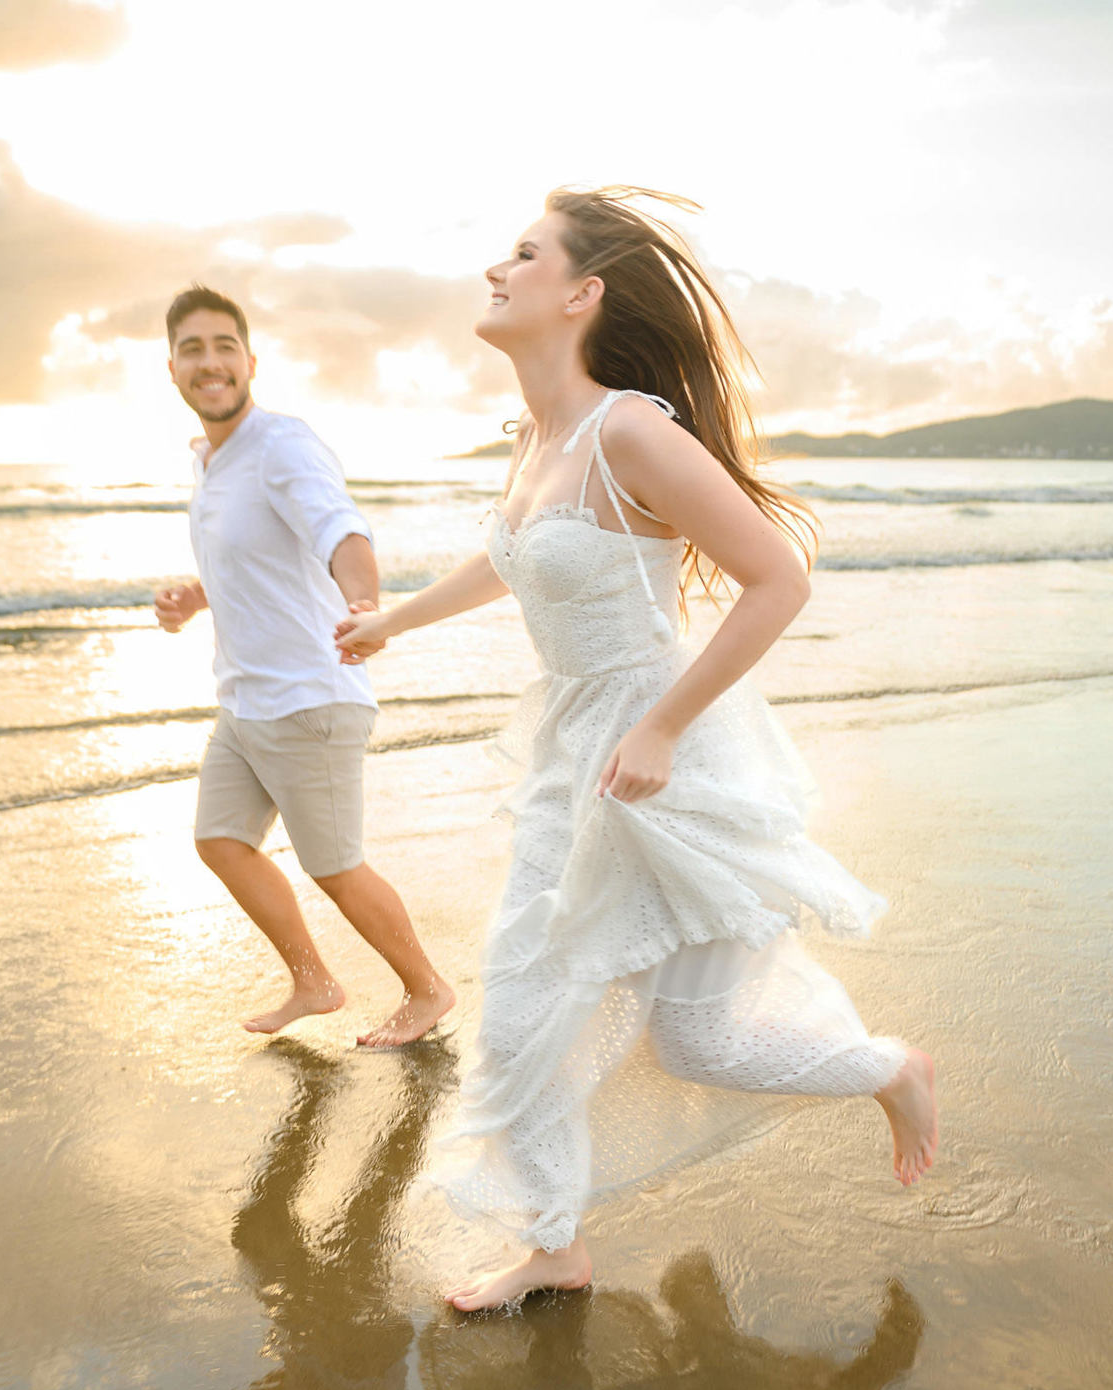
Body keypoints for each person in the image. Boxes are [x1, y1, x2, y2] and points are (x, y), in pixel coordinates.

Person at [335, 189, 938, 1308]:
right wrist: (393, 621)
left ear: (582, 293)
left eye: (522, 255)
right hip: (572, 755)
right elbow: (512, 559)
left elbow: (776, 580)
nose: (493, 271)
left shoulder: (628, 429)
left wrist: (663, 724)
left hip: (664, 760)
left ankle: (891, 1069)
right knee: (522, 1007)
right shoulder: (537, 440)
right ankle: (554, 1245)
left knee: (698, 1040)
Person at [156, 285, 453, 1045]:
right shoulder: (211, 461)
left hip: (309, 696)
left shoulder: (281, 444)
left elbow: (338, 530)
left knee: (335, 865)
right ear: (173, 368)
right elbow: (259, 560)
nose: (210, 361)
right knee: (220, 838)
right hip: (247, 701)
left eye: (224, 345)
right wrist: (198, 594)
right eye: (193, 348)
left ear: (250, 361)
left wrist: (366, 606)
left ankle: (427, 989)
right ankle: (313, 981)